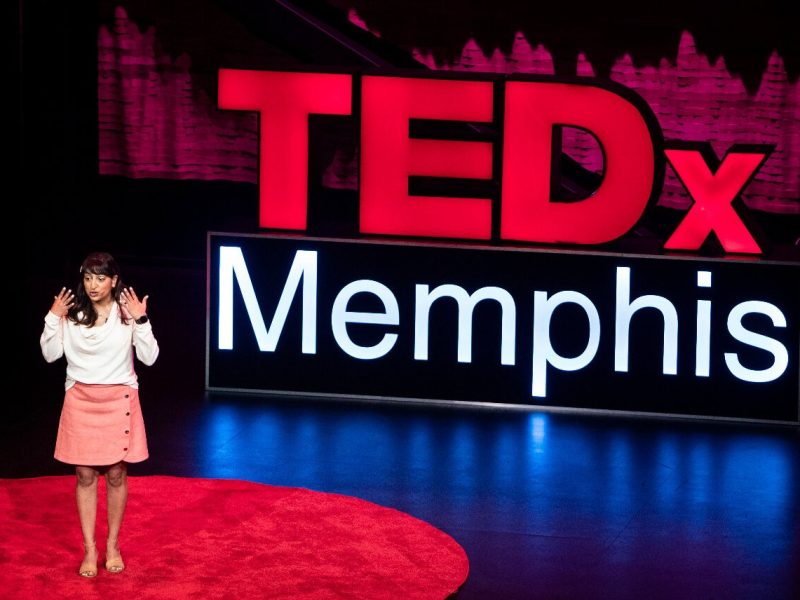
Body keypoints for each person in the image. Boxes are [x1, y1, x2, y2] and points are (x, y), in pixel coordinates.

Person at [40, 251, 159, 578]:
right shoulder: (71, 313)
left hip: (118, 397)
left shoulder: (126, 313)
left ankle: (113, 545)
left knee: (117, 473)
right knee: (84, 474)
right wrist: (52, 317)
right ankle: (90, 549)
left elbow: (149, 357)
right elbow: (50, 354)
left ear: (114, 280)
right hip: (80, 398)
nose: (93, 285)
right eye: (88, 278)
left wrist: (141, 320)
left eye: (100, 278)